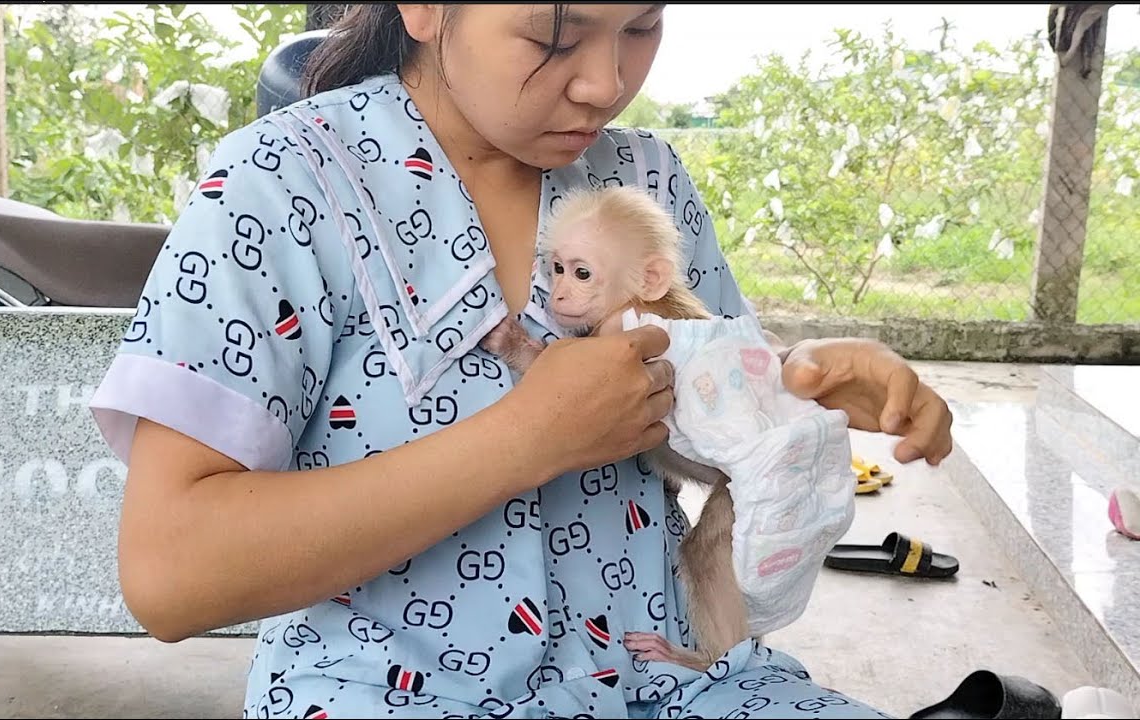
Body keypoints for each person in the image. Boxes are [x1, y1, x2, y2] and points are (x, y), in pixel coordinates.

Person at [88, 4, 954, 718]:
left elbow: (710, 409)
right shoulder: (276, 188)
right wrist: (525, 439)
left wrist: (798, 385)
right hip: (388, 695)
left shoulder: (644, 181)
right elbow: (171, 574)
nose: (605, 84)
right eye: (555, 36)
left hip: (671, 678)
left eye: (643, 27)